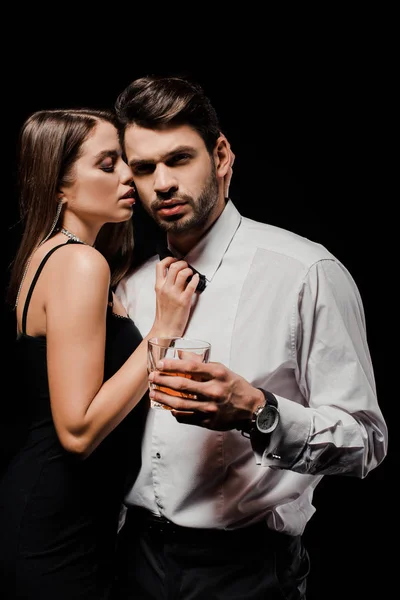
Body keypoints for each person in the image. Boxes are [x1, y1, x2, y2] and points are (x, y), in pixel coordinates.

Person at [112, 75, 388, 600]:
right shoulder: (131, 282)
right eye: (144, 168)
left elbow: (366, 443)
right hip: (134, 561)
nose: (162, 183)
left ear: (220, 155)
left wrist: (260, 411)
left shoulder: (305, 271)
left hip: (247, 572)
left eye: (179, 159)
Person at [0, 107, 200, 599]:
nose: (128, 176)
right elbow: (77, 431)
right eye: (107, 165)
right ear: (60, 186)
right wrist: (163, 330)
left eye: (125, 162)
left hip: (63, 513)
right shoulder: (79, 263)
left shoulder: (53, 256)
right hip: (56, 523)